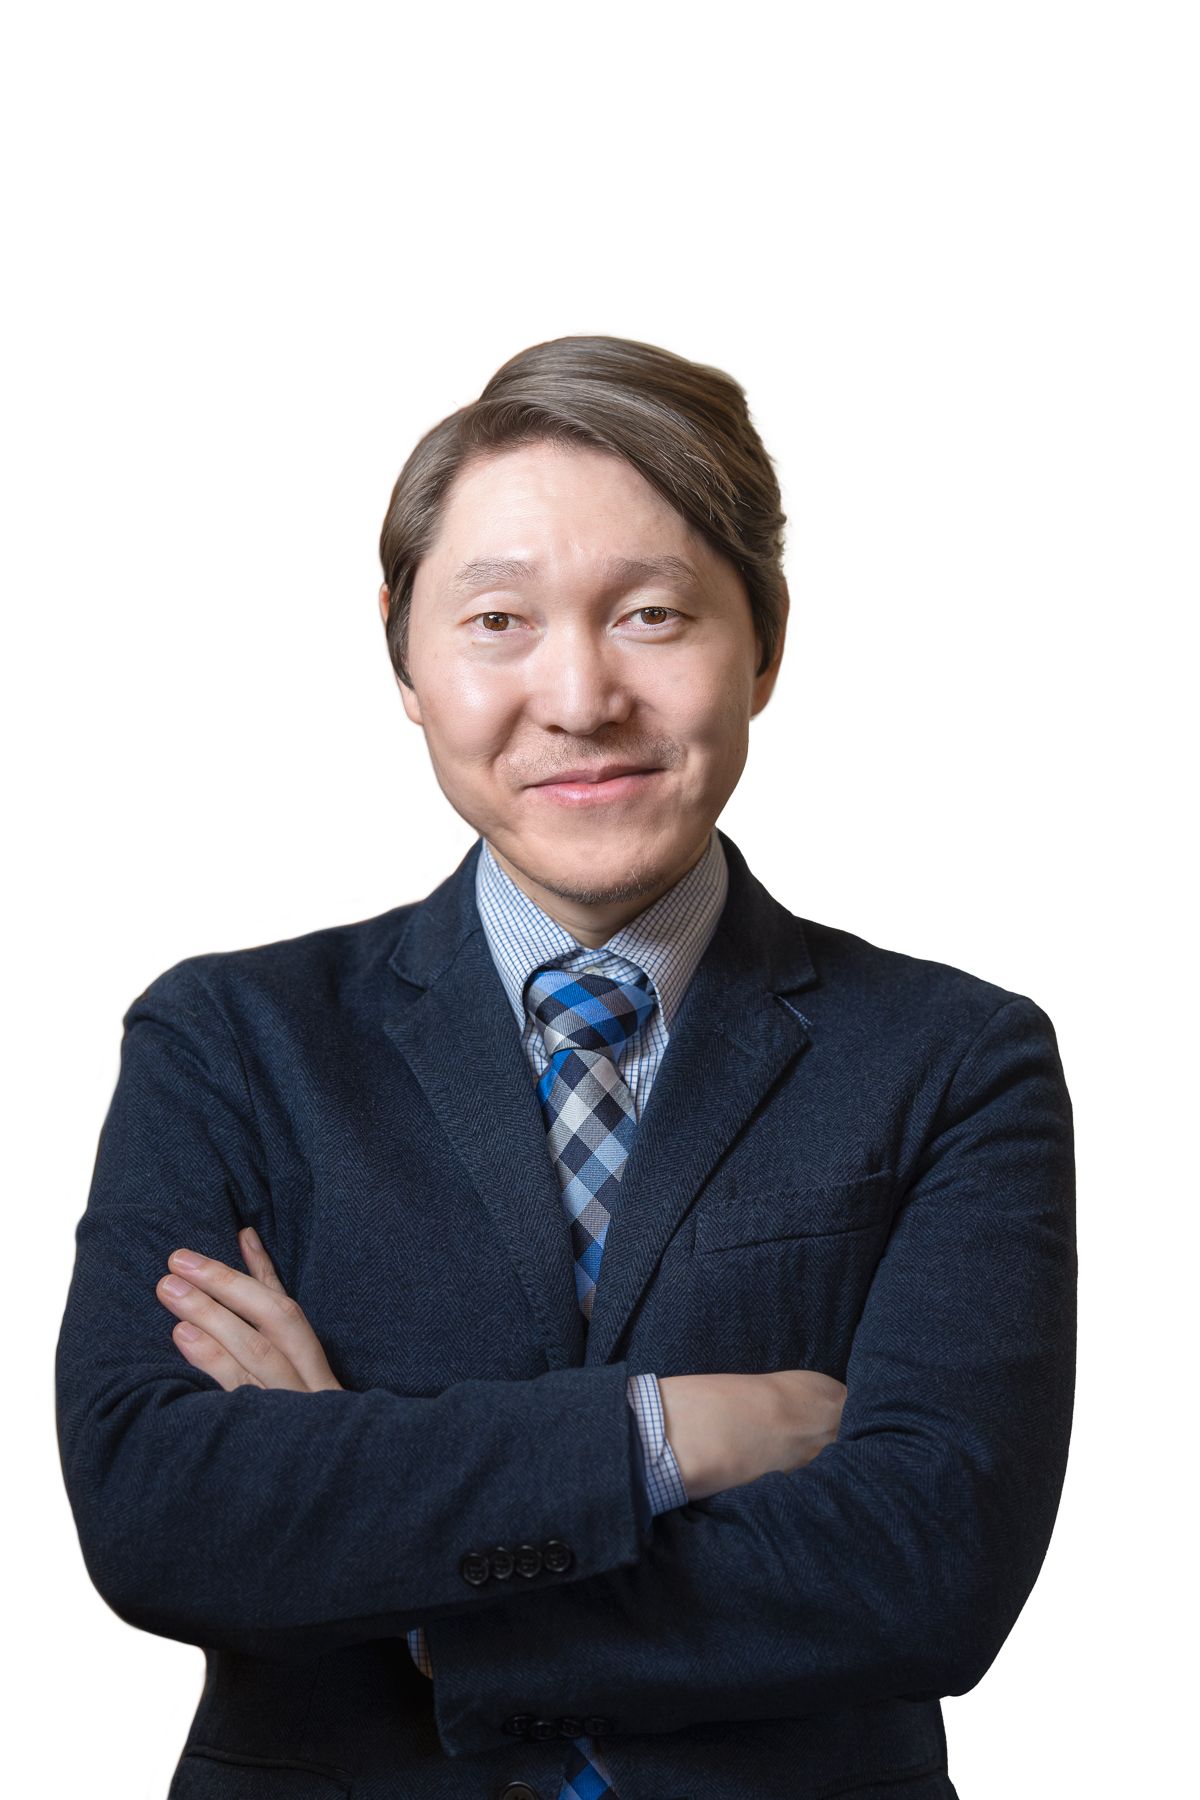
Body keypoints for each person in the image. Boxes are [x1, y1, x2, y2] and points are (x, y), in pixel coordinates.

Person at [55, 335, 1076, 1800]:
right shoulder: (230, 1042)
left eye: (654, 615)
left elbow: (931, 1566)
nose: (582, 695)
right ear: (406, 656)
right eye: (500, 621)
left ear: (766, 642)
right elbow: (159, 1516)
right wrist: (665, 1435)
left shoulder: (955, 1060)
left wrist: (395, 1569)